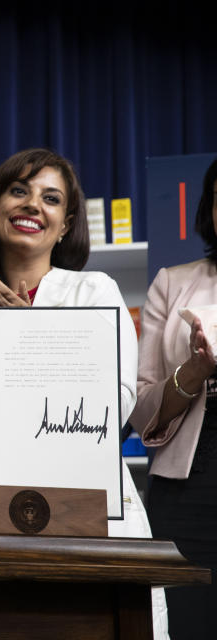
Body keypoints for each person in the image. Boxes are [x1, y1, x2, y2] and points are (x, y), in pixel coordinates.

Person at [0, 148, 166, 638]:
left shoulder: (93, 292)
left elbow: (109, 409)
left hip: (86, 504)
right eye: (19, 190)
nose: (33, 205)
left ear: (66, 223)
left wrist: (19, 336)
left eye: (50, 198)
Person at [129, 157, 217, 639]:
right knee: (183, 625)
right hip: (188, 493)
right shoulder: (172, 283)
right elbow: (142, 410)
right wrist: (196, 369)